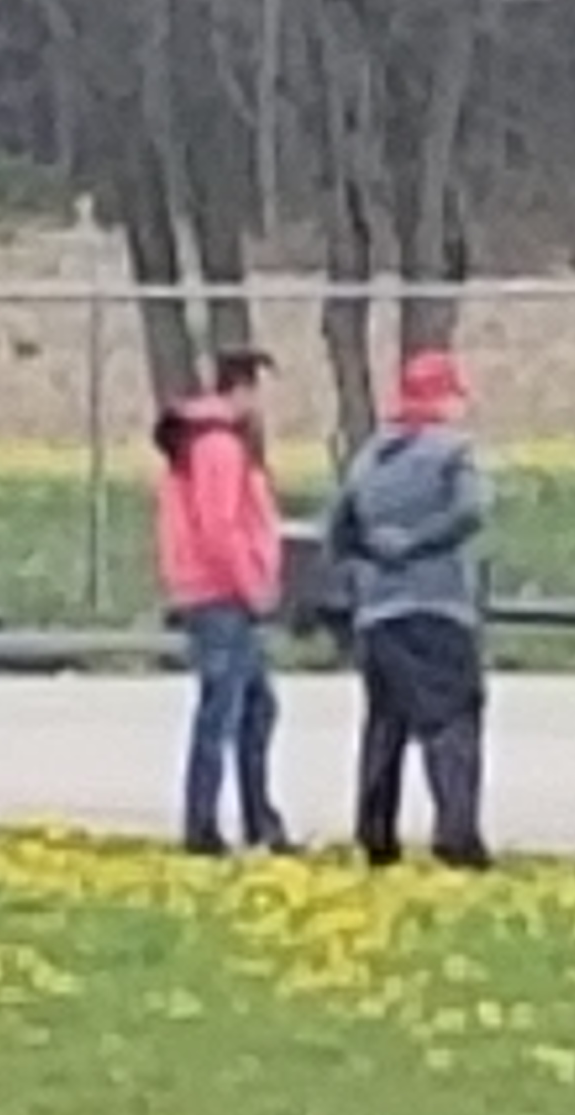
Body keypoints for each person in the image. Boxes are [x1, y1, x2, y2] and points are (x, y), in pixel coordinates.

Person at [325, 349, 495, 869]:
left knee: (385, 722)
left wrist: (370, 559)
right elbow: (471, 509)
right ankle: (457, 836)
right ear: (444, 398)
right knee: (452, 720)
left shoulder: (369, 457)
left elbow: (338, 527)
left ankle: (376, 834)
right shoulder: (452, 450)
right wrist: (417, 544)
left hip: (377, 613)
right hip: (437, 606)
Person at [153, 347, 292, 855]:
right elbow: (221, 527)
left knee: (256, 707)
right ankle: (204, 824)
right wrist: (251, 583)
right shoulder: (218, 446)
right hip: (222, 594)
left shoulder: (210, 442)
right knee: (223, 709)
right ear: (244, 389)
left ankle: (259, 819)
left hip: (221, 592)